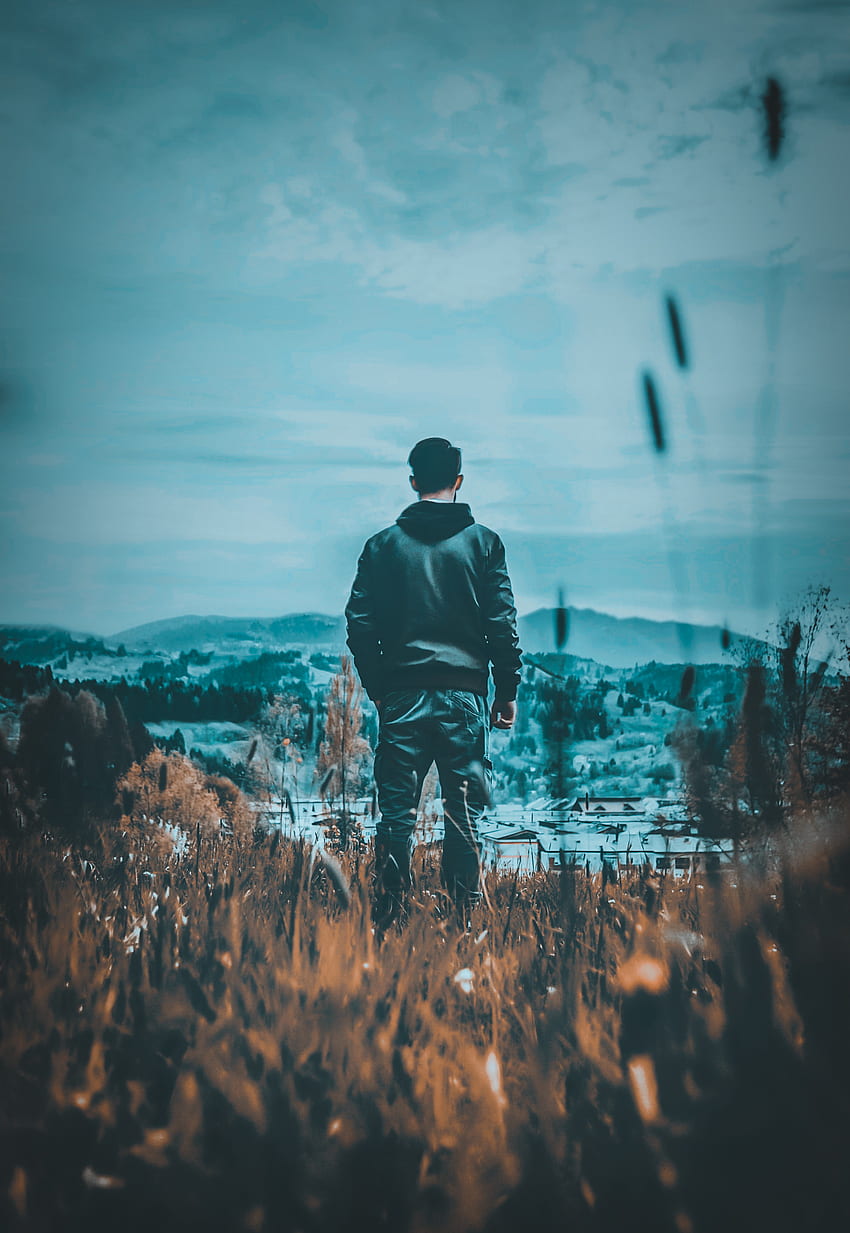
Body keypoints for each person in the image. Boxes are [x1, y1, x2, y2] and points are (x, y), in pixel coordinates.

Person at [344, 436, 522, 921]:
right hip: (464, 700)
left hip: (401, 698)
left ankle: (388, 921)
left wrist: (381, 690)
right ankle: (463, 925)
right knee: (463, 820)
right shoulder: (484, 544)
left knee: (396, 820)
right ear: (458, 482)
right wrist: (506, 691)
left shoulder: (380, 547)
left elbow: (359, 626)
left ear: (413, 481)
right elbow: (501, 624)